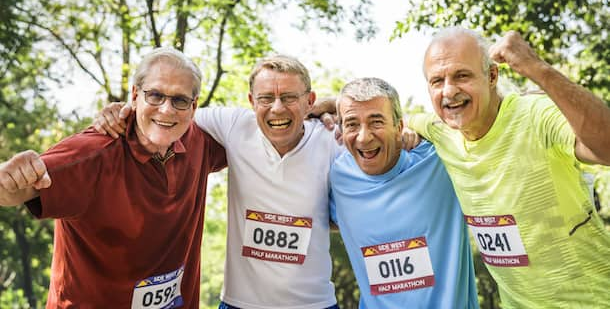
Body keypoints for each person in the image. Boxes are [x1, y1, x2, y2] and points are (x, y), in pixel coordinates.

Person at [94, 55, 340, 309]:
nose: (277, 108)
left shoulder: (333, 139)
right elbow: (168, 113)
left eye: (289, 97)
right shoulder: (234, 125)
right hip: (239, 303)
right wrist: (123, 109)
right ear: (251, 101)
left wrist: (338, 104)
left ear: (309, 101)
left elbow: (379, 130)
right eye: (266, 98)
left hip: (316, 304)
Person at [0, 48, 227, 308]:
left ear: (193, 106)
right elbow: (18, 188)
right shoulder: (93, 154)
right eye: (155, 95)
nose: (166, 110)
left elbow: (260, 141)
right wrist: (8, 176)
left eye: (180, 100)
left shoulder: (201, 143)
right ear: (134, 96)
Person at [407, 28, 610, 308]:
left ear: (492, 76)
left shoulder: (536, 115)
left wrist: (536, 68)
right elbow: (386, 123)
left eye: (462, 76)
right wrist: (337, 109)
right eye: (437, 81)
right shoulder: (439, 131)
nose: (449, 91)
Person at [330, 77, 478, 308]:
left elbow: (481, 118)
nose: (364, 137)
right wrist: (320, 107)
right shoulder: (339, 177)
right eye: (351, 124)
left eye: (376, 122)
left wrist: (419, 126)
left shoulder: (438, 159)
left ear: (399, 127)